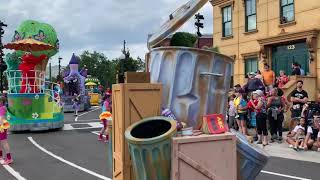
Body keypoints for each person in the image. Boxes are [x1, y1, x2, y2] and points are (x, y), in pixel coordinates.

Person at [0, 97, 12, 165]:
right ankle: (1, 156)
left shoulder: (1, 108)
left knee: (4, 142)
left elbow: (1, 118)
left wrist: (1, 127)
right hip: (2, 125)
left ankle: (9, 158)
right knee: (2, 142)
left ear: (1, 102)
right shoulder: (3, 107)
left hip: (1, 126)